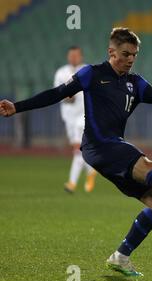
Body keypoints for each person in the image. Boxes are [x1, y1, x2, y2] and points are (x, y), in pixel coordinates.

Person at [0, 27, 152, 277]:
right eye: (125, 54)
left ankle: (120, 257)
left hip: (111, 148)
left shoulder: (136, 83)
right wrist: (17, 107)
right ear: (111, 52)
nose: (131, 59)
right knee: (148, 166)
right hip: (98, 145)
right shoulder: (92, 74)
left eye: (134, 54)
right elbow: (57, 94)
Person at [53, 46, 97, 193]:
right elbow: (57, 93)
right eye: (71, 55)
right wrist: (66, 97)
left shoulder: (86, 71)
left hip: (84, 115)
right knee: (79, 148)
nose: (73, 58)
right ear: (68, 56)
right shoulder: (61, 72)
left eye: (76, 55)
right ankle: (91, 172)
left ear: (81, 57)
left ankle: (71, 183)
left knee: (78, 149)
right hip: (68, 116)